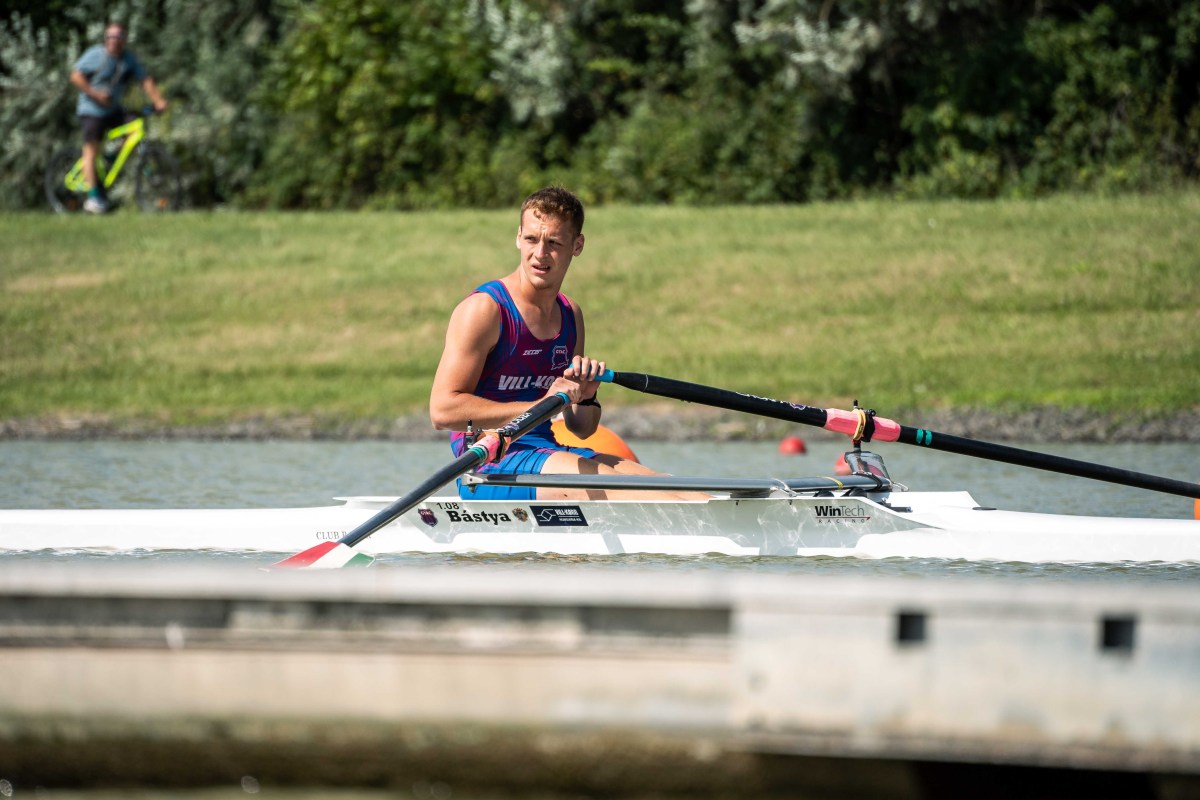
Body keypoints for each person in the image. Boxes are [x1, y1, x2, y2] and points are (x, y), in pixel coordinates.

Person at [430, 186, 698, 501]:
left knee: (679, 491)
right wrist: (539, 406)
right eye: (532, 239)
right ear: (518, 237)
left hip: (546, 451)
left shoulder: (571, 314)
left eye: (554, 243)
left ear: (577, 245)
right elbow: (442, 411)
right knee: (640, 495)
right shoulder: (485, 310)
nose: (540, 254)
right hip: (490, 463)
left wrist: (586, 396)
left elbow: (582, 428)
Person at [69, 21, 168, 214]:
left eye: (118, 36)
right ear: (106, 39)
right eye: (111, 36)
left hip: (113, 110)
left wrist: (158, 101)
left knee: (135, 126)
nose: (114, 40)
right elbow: (75, 76)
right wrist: (96, 95)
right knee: (91, 149)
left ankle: (111, 159)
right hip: (91, 110)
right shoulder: (95, 55)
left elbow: (145, 80)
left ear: (125, 39)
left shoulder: (128, 59)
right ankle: (94, 197)